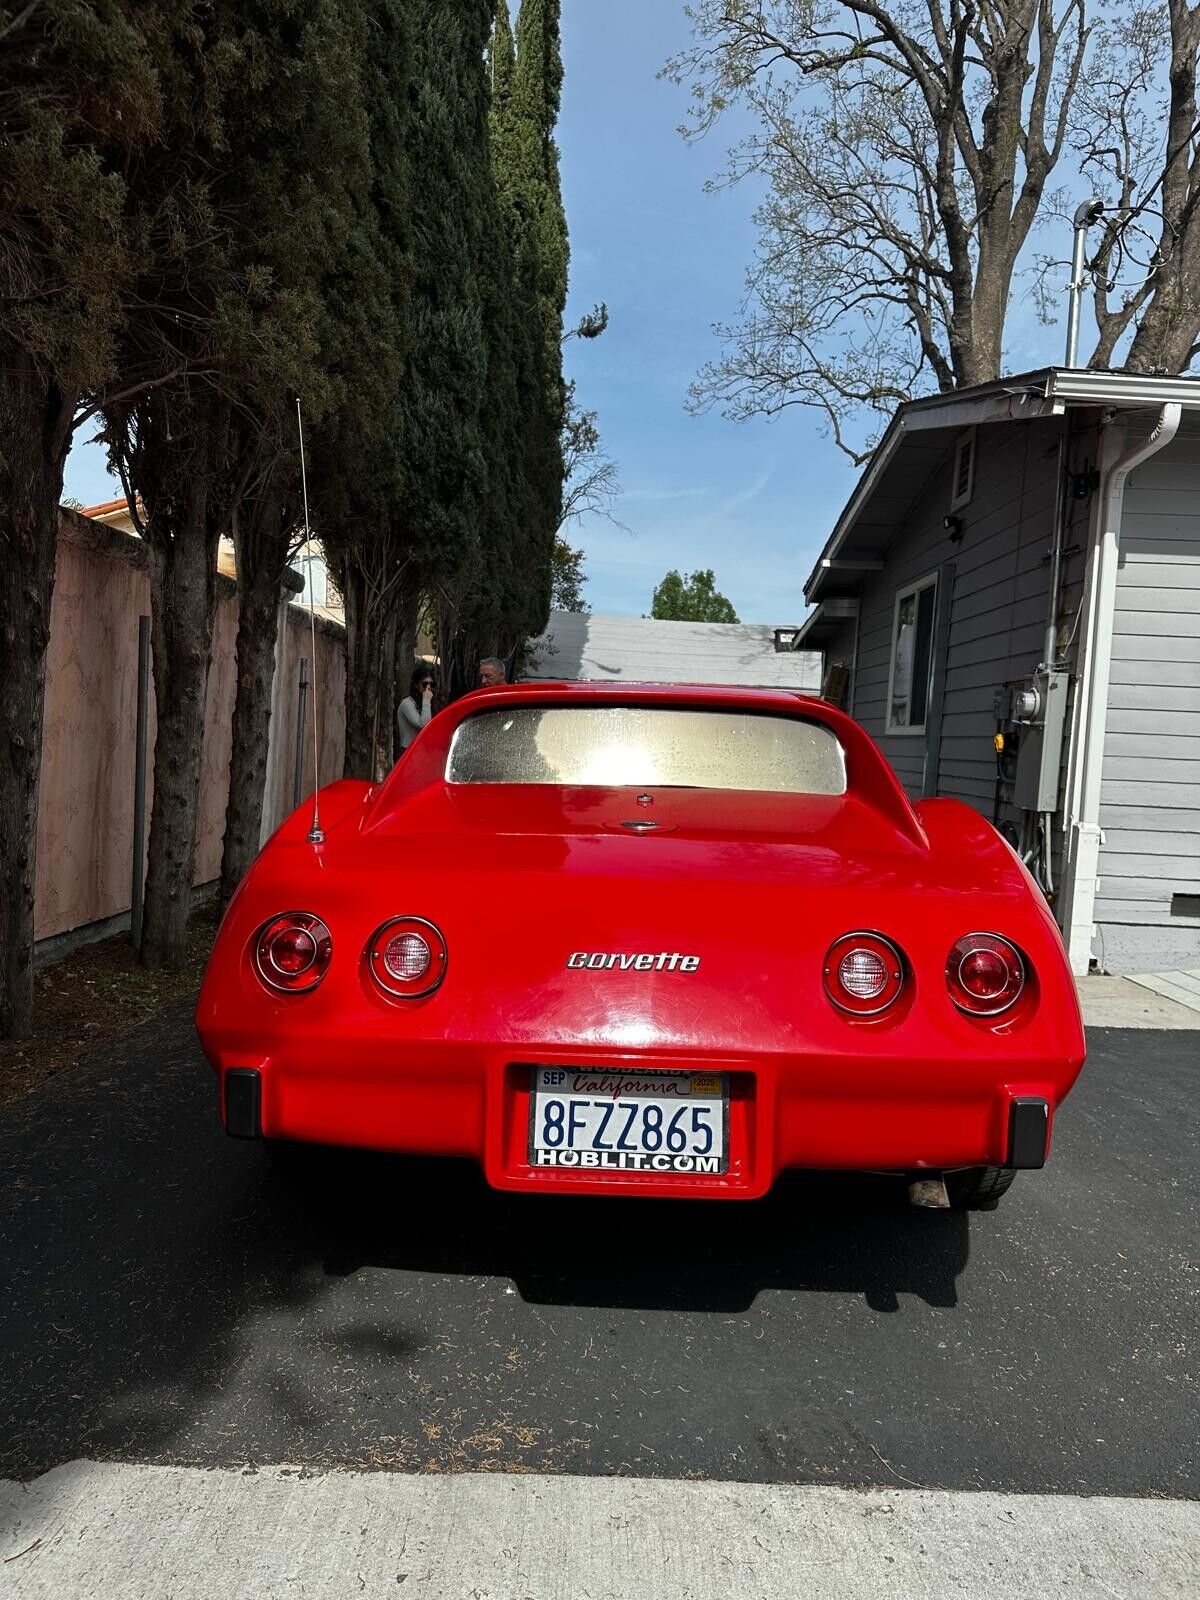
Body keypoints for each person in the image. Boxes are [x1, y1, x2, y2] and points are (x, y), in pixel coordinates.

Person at [397, 666, 436, 752]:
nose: (428, 688)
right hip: (409, 751)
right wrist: (426, 700)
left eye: (432, 684)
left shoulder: (425, 703)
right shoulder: (407, 703)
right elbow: (423, 725)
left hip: (423, 750)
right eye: (425, 684)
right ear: (415, 684)